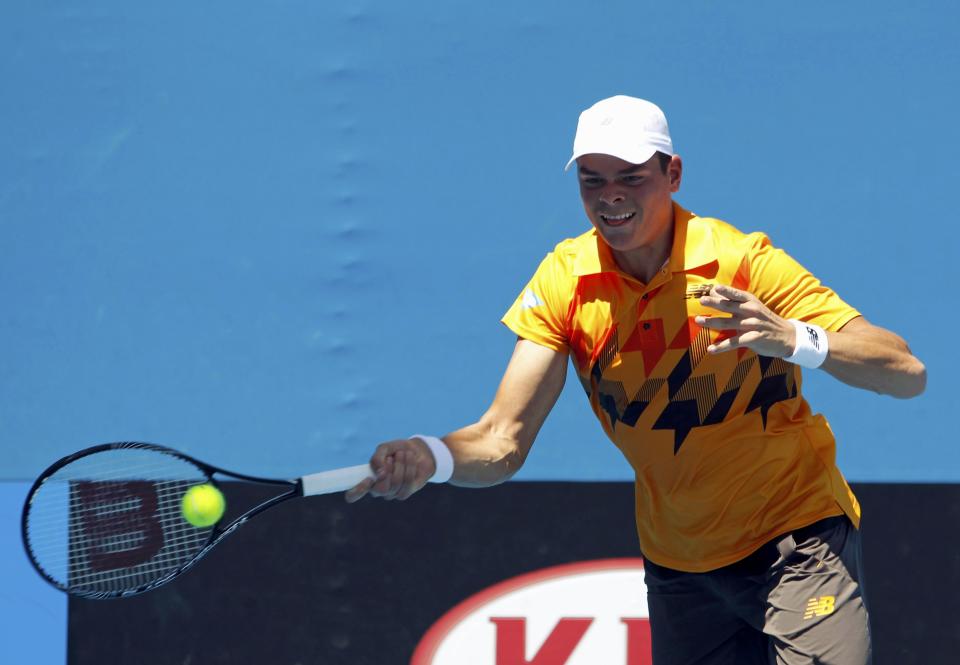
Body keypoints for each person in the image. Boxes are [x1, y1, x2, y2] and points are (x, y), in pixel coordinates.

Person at [345, 95, 926, 664]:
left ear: (672, 174)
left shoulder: (744, 262)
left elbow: (905, 372)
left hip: (795, 542)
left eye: (630, 176)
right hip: (680, 567)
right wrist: (430, 456)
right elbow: (502, 439)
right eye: (592, 180)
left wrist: (793, 338)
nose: (611, 196)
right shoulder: (564, 281)